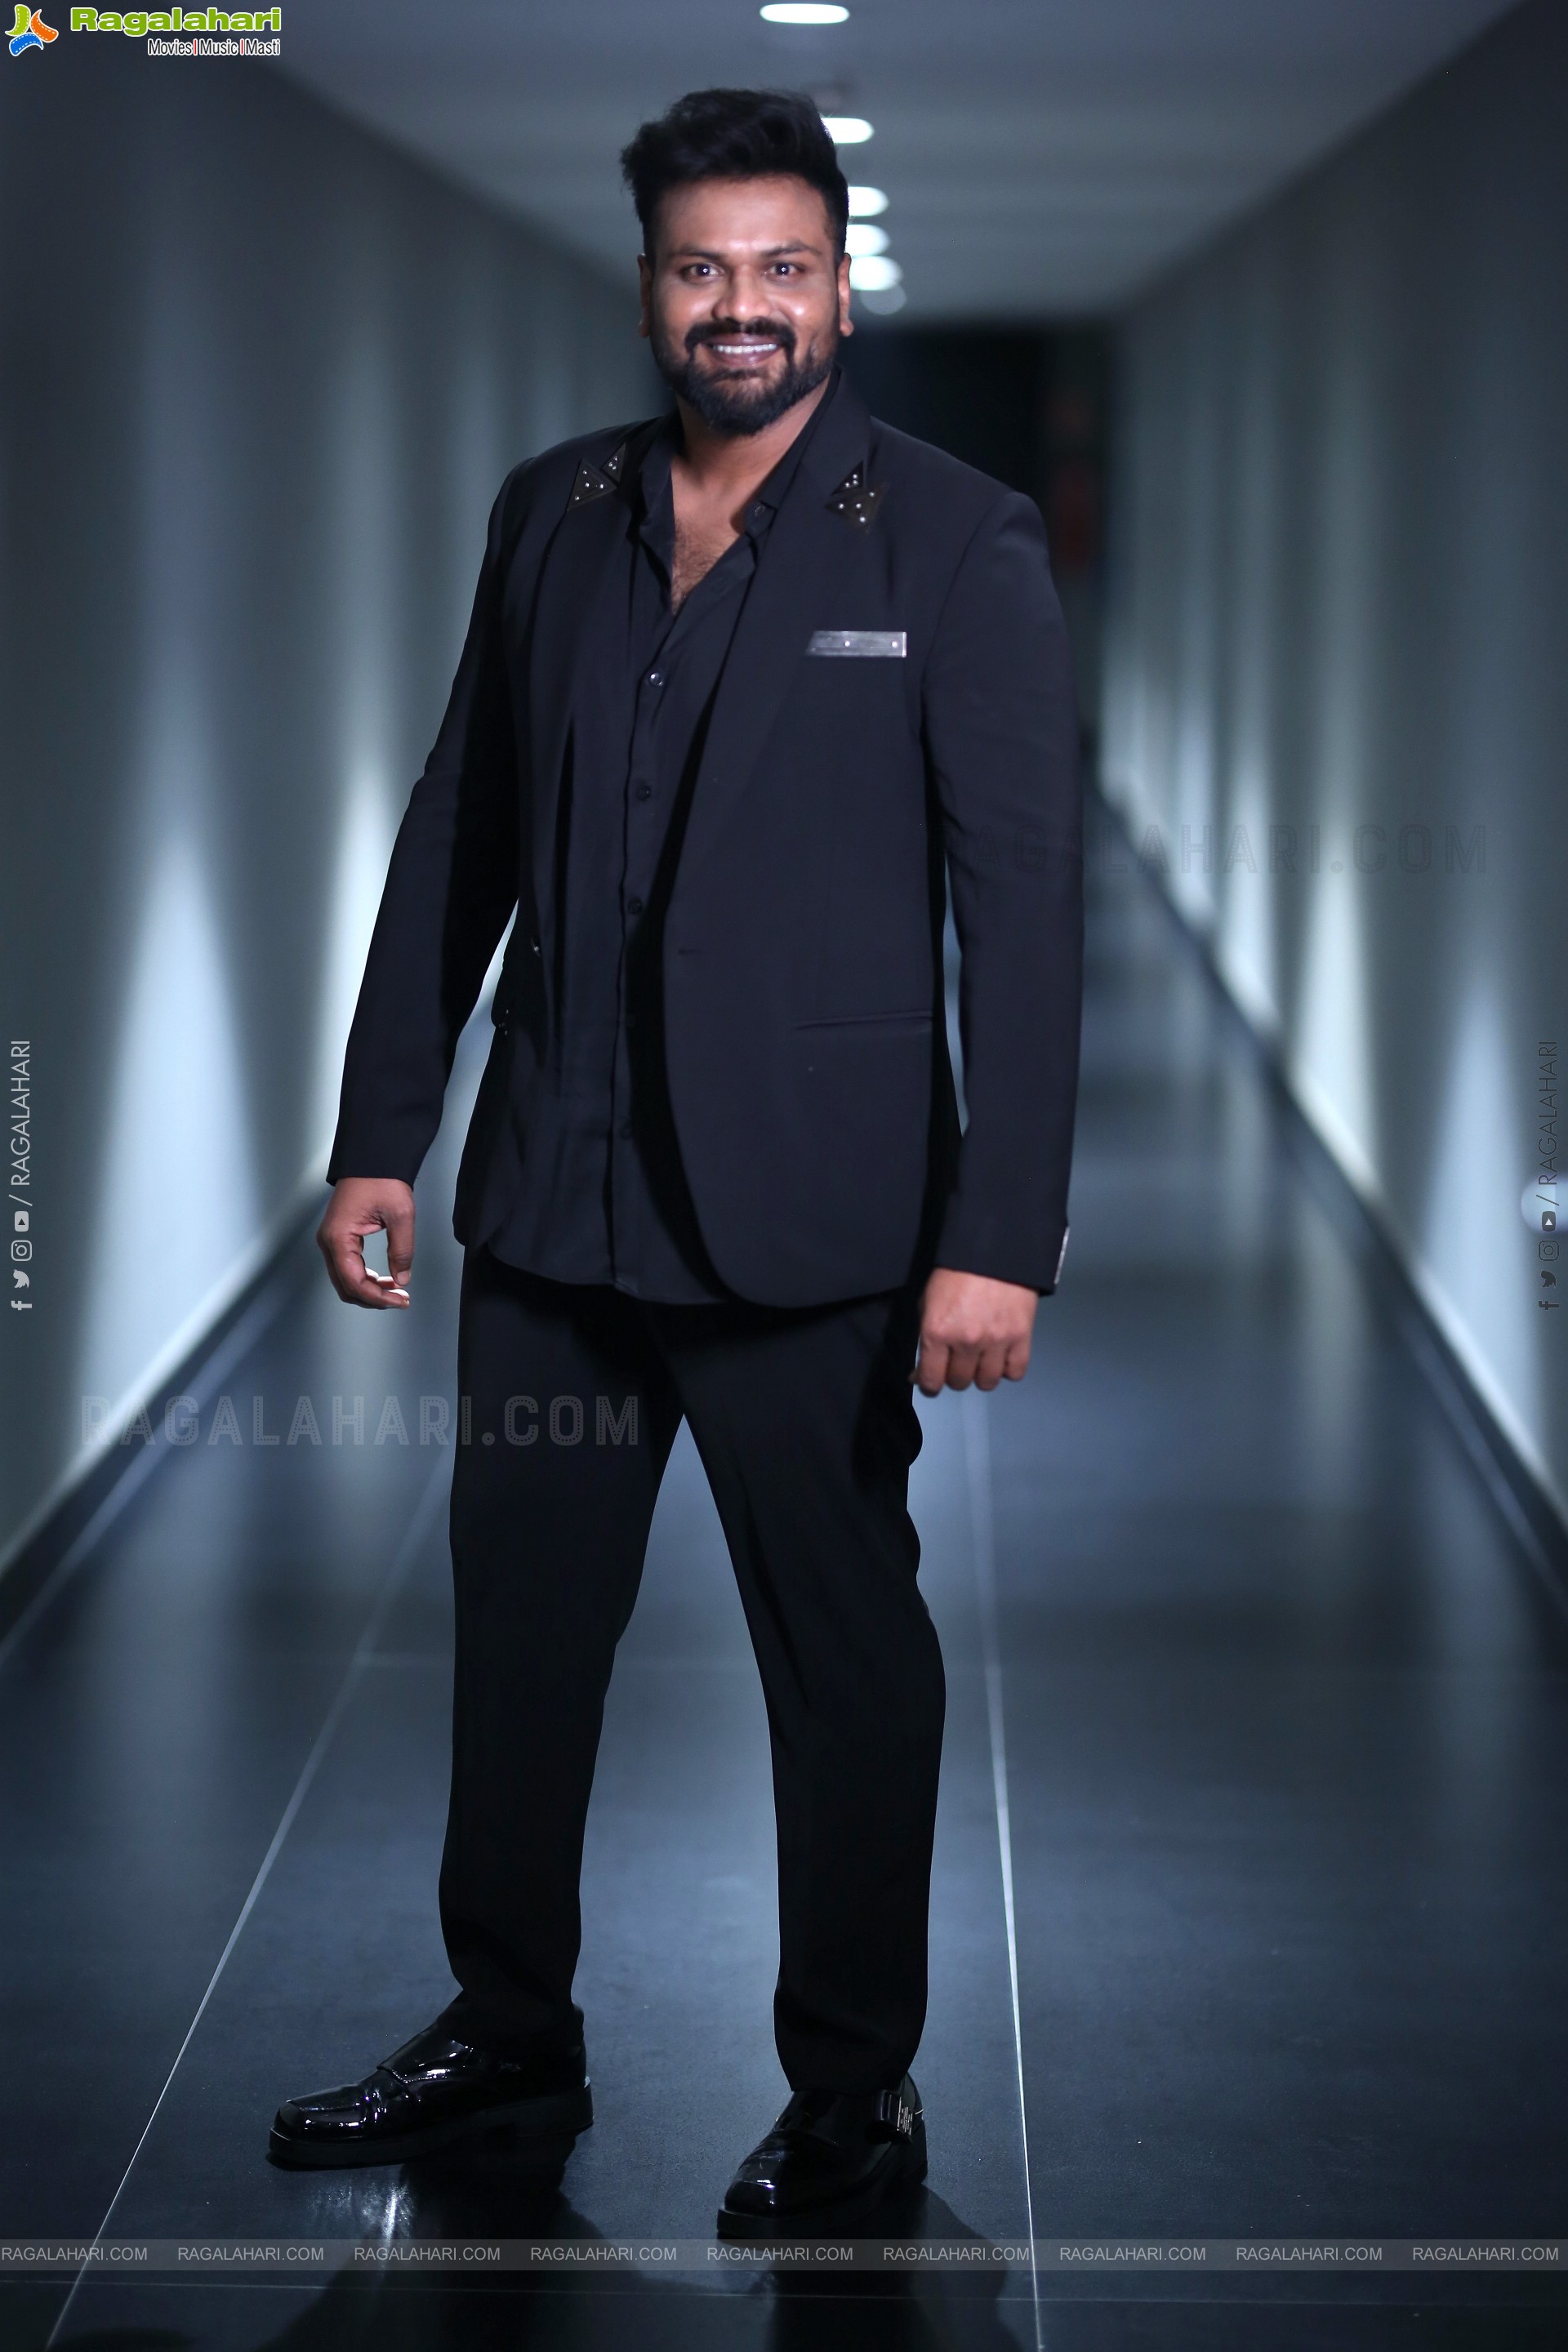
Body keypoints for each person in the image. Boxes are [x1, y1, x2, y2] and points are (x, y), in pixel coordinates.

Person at [270, 86, 1082, 2234]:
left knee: (844, 1658)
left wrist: (1001, 1234)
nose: (743, 305)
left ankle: (856, 2091)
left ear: (841, 287)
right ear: (649, 286)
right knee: (522, 1637)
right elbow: (461, 823)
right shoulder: (554, 510)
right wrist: (380, 1128)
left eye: (782, 267)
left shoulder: (955, 539)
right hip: (556, 1198)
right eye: (703, 267)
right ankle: (506, 2030)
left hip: (815, 1222)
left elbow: (1026, 911)